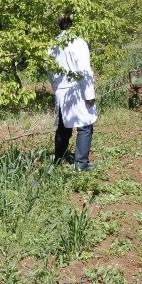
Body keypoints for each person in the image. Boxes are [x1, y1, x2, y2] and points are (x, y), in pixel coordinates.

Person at [50, 12, 97, 171]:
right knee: (85, 126)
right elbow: (84, 71)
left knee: (64, 127)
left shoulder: (52, 44)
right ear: (74, 24)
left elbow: (50, 71)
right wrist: (89, 95)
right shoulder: (78, 43)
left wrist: (56, 89)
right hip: (77, 90)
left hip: (61, 90)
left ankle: (58, 161)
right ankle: (81, 164)